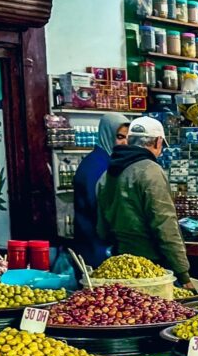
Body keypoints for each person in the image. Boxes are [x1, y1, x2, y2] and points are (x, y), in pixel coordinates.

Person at [97, 116, 191, 284]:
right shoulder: (151, 171)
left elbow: (101, 229)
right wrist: (183, 273)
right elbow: (164, 225)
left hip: (120, 264)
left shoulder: (107, 174)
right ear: (157, 142)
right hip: (151, 268)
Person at [72, 113, 128, 266]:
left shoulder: (108, 161)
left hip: (95, 244)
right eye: (120, 137)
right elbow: (100, 209)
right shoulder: (97, 167)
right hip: (95, 246)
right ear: (107, 135)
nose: (125, 143)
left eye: (127, 138)